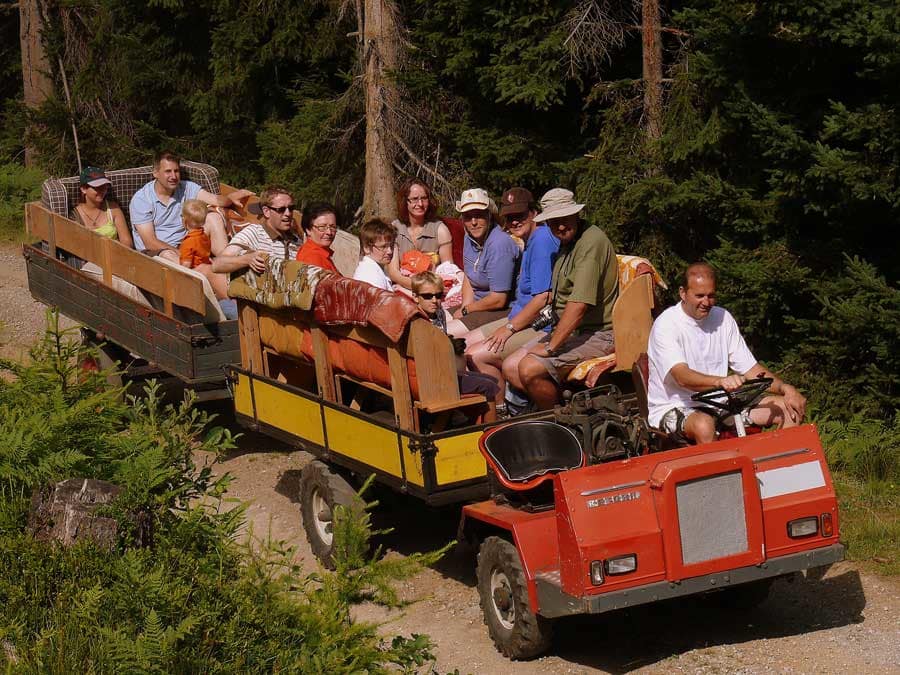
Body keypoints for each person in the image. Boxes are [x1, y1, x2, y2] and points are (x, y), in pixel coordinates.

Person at [647, 262, 807, 444]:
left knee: (789, 409)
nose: (706, 302)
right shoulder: (666, 325)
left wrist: (785, 388)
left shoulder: (723, 318)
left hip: (721, 404)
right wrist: (719, 382)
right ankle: (718, 463)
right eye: (699, 296)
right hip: (675, 405)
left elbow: (751, 369)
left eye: (711, 296)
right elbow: (682, 377)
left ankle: (775, 460)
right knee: (704, 425)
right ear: (683, 293)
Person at [503, 188, 618, 410]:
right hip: (573, 331)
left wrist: (551, 347)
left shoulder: (591, 242)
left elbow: (579, 305)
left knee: (528, 369)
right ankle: (563, 406)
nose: (561, 226)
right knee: (510, 367)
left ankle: (560, 420)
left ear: (576, 214)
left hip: (599, 332)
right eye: (554, 222)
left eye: (565, 218)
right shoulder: (566, 243)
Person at [464, 188, 560, 409]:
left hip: (538, 323)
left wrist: (508, 329)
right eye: (509, 217)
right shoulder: (528, 240)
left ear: (534, 213)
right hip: (519, 315)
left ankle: (501, 410)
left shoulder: (541, 241)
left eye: (520, 215)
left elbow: (542, 299)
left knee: (476, 355)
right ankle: (505, 403)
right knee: (464, 344)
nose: (515, 222)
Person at [129, 150, 252, 262]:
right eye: (168, 171)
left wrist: (231, 197)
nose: (173, 176)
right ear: (155, 173)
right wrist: (183, 255)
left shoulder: (187, 187)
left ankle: (227, 261)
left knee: (213, 218)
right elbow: (150, 243)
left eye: (176, 171)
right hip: (157, 252)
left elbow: (216, 200)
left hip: (186, 243)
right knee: (168, 255)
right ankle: (204, 273)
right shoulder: (141, 200)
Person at [411, 271, 499, 404]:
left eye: (438, 295)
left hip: (444, 370)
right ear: (416, 297)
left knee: (492, 380)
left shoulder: (439, 312)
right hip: (432, 379)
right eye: (427, 296)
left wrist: (451, 343)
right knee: (489, 386)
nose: (434, 300)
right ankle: (493, 418)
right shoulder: (417, 322)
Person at [450, 188, 520, 335]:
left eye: (479, 215)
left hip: (502, 309)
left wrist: (467, 310)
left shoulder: (499, 244)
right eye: (468, 217)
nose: (473, 222)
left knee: (447, 333)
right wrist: (464, 307)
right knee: (434, 322)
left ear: (489, 215)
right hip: (476, 305)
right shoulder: (469, 237)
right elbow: (469, 275)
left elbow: (498, 299)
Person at [212, 186, 302, 276]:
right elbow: (217, 264)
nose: (288, 213)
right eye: (281, 210)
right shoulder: (255, 233)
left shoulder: (296, 239)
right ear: (266, 211)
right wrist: (247, 259)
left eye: (291, 208)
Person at [388, 178, 454, 289]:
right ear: (405, 202)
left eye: (424, 198)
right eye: (414, 199)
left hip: (434, 290)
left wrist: (428, 289)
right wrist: (419, 287)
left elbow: (449, 270)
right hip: (403, 288)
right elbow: (394, 273)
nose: (420, 204)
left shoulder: (440, 230)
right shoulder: (395, 229)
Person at [70, 166, 133, 248]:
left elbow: (127, 241)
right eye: (97, 187)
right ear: (84, 189)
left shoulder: (113, 208)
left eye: (104, 186)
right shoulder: (75, 216)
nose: (102, 191)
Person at [353, 218, 397, 291]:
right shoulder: (371, 276)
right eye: (383, 247)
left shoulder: (376, 267)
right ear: (367, 248)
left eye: (391, 245)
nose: (390, 251)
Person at [296, 202, 340, 273]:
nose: (329, 232)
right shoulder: (313, 258)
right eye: (322, 227)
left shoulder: (320, 254)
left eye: (333, 227)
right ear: (308, 230)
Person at [178, 199, 212, 269]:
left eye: (181, 216)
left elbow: (186, 265)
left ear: (184, 220)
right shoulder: (204, 236)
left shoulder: (188, 242)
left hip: (195, 271)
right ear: (203, 222)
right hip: (205, 267)